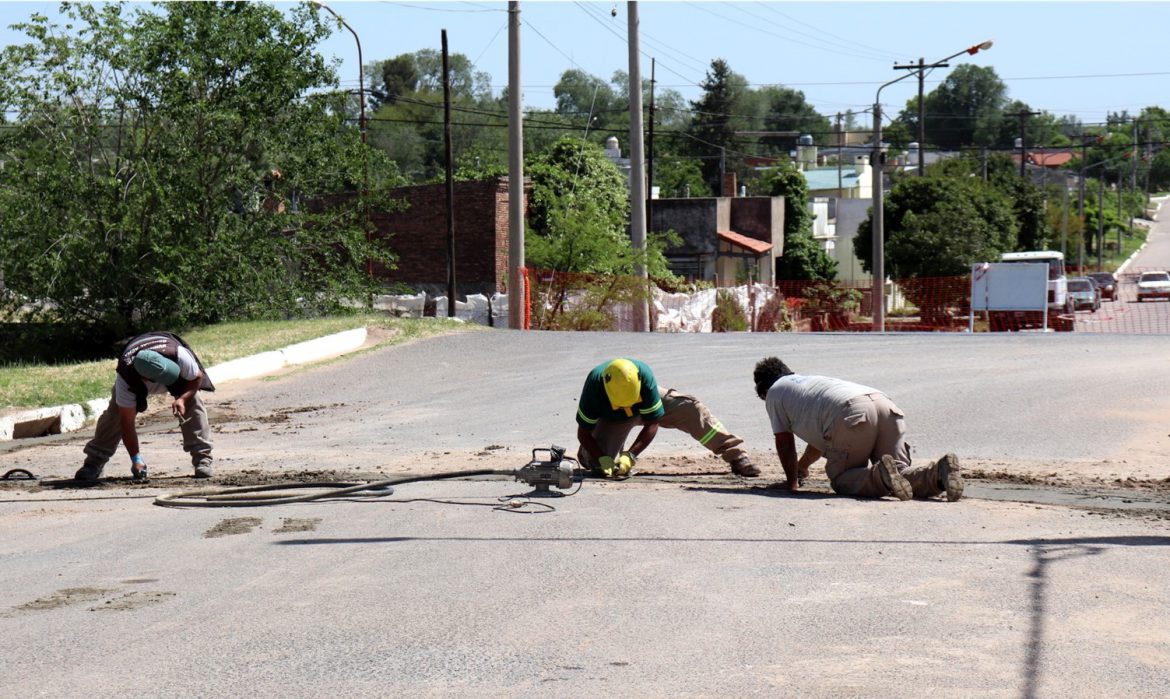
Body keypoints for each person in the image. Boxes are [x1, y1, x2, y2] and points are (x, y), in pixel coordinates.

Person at [752, 356, 962, 501]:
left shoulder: (775, 393)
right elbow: (821, 439)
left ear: (763, 390)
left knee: (844, 478)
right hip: (884, 406)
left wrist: (791, 484)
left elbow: (784, 442)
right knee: (899, 473)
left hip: (852, 415)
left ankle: (880, 475)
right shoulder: (808, 385)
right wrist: (803, 466)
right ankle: (939, 474)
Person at [576, 358, 757, 479]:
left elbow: (652, 423)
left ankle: (737, 456)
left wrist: (630, 456)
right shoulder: (594, 387)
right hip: (614, 418)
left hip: (647, 402)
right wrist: (601, 458)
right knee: (598, 465)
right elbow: (583, 432)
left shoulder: (644, 377)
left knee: (691, 409)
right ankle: (589, 455)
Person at [75, 331, 216, 483]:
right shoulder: (126, 379)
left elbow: (197, 377)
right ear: (147, 379)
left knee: (193, 401)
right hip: (136, 378)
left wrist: (182, 399)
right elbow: (126, 424)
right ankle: (94, 462)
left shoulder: (179, 355)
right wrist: (136, 459)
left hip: (175, 367)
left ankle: (203, 459)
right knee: (115, 415)